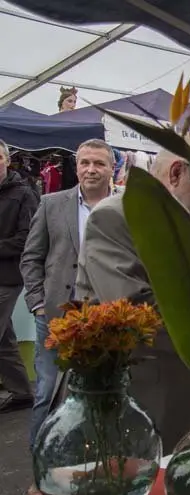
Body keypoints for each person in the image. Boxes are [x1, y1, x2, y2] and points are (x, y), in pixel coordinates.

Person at [73, 132, 190, 452]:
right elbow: (131, 309)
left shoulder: (188, 226)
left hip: (181, 388)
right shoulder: (114, 217)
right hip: (140, 392)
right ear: (176, 173)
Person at [20, 139, 113, 448]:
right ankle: (40, 469)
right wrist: (37, 304)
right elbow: (31, 257)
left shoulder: (125, 208)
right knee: (47, 395)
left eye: (99, 163)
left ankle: (88, 465)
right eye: (85, 162)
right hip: (54, 318)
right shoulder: (52, 204)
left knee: (98, 394)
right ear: (76, 167)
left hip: (103, 319)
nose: (91, 169)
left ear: (112, 168)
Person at [0, 139, 37, 413]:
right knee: (4, 340)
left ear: (6, 160)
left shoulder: (24, 193)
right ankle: (22, 392)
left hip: (7, 277)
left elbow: (28, 238)